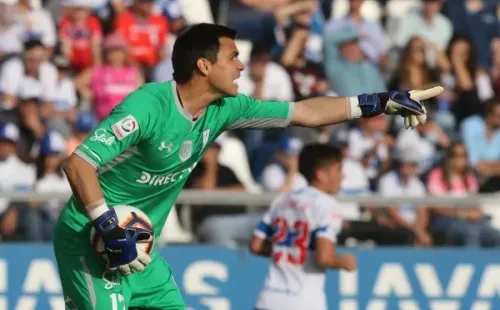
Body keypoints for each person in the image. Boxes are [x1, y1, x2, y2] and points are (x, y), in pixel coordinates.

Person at [55, 23, 443, 309]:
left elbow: (305, 112)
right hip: (91, 239)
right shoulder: (147, 106)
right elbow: (79, 165)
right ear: (205, 66)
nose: (241, 66)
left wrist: (380, 102)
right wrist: (107, 225)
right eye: (233, 57)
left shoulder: (228, 108)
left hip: (138, 248)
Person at [249, 144, 356, 310]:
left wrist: (287, 250)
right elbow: (324, 257)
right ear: (321, 174)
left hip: (268, 300)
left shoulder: (282, 200)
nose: (343, 176)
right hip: (303, 302)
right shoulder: (327, 205)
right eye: (339, 169)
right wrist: (344, 262)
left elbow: (255, 246)